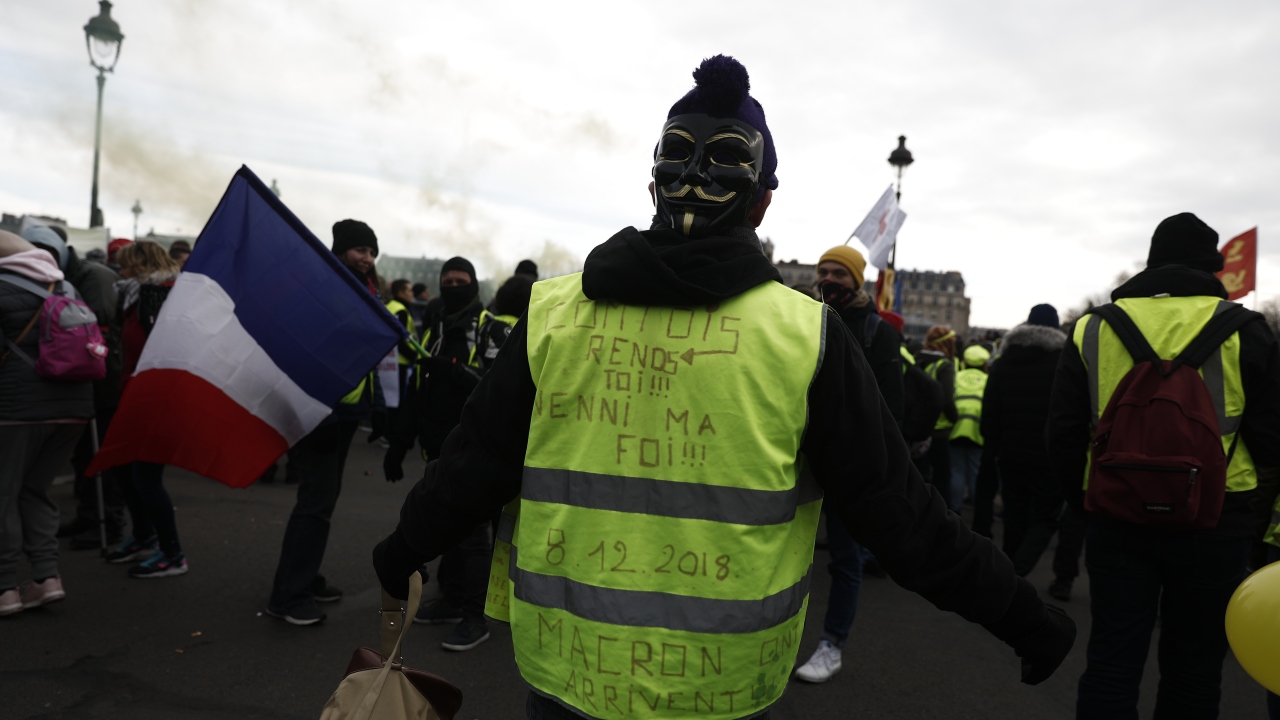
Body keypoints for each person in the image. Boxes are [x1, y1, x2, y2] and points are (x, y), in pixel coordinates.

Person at [372, 55, 1074, 720]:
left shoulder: (554, 316)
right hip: (719, 687)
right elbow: (904, 517)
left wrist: (401, 549)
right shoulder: (807, 338)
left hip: (568, 671)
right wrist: (1025, 617)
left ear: (652, 189)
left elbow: (470, 469)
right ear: (762, 206)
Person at [1047, 213, 1280, 719]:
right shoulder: (1249, 331)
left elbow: (1063, 434)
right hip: (1218, 520)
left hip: (1116, 512)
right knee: (1194, 672)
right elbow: (1271, 443)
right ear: (1212, 268)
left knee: (1111, 660)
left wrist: (1085, 506)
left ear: (1151, 262)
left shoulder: (1093, 328)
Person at [384, 256, 510, 651]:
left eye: (461, 280)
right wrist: (400, 443)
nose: (453, 286)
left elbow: (505, 393)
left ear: (473, 284)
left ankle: (476, 618)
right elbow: (421, 392)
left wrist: (456, 372)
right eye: (447, 280)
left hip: (477, 454)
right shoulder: (433, 329)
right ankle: (453, 601)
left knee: (473, 539)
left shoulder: (493, 331)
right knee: (449, 533)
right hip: (439, 450)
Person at [265, 219, 387, 626]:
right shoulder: (329, 285)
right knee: (315, 501)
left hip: (345, 410)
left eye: (371, 252)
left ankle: (304, 576)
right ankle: (289, 596)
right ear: (340, 251)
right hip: (323, 409)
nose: (367, 258)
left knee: (322, 500)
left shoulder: (361, 286)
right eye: (360, 250)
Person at [793, 246, 905, 683]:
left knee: (845, 560)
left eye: (840, 272)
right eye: (823, 270)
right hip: (797, 459)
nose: (829, 278)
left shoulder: (879, 332)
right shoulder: (800, 319)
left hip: (847, 465)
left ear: (858, 281)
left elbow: (891, 411)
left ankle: (831, 644)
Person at [0, 231, 94, 616]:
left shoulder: (2, 288)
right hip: (73, 406)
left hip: (15, 411)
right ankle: (46, 578)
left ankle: (5, 588)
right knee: (35, 491)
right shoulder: (65, 285)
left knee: (3, 495)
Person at [23, 227, 126, 551]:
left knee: (101, 455)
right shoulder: (67, 274)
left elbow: (97, 326)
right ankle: (89, 515)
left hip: (100, 376)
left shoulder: (91, 277)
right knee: (84, 454)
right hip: (82, 375)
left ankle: (108, 521)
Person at [103, 241, 190, 578]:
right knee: (125, 469)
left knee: (145, 476)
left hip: (157, 399)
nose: (119, 271)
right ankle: (143, 537)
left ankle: (173, 554)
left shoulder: (160, 296)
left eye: (124, 266)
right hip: (135, 396)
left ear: (139, 266)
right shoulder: (138, 295)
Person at [973, 304, 1066, 575]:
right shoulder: (1063, 363)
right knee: (1047, 516)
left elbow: (990, 410)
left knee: (1015, 515)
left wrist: (995, 448)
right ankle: (1018, 570)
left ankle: (1009, 574)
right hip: (1049, 454)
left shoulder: (1004, 363)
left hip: (1009, 453)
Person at [918, 325, 959, 497]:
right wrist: (954, 418)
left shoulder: (917, 360)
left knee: (920, 479)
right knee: (942, 478)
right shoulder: (945, 365)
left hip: (917, 428)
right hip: (939, 431)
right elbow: (947, 399)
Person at [949, 343, 990, 511]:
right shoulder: (987, 380)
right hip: (978, 432)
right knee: (975, 473)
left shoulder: (956, 376)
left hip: (956, 429)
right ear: (984, 363)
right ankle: (977, 509)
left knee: (956, 472)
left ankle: (954, 509)